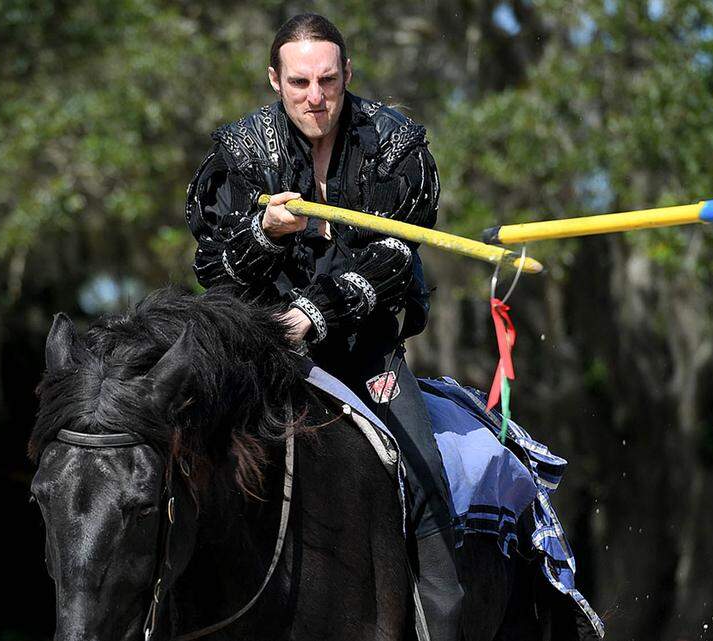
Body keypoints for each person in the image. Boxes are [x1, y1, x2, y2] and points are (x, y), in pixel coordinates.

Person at [183, 13, 462, 640]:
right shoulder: (240, 153)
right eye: (300, 82)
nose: (316, 98)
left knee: (425, 483)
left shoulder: (395, 145)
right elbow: (213, 268)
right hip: (264, 358)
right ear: (274, 80)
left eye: (328, 81)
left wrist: (311, 314)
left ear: (347, 75)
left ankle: (442, 623)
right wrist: (263, 233)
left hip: (366, 354)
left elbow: (394, 257)